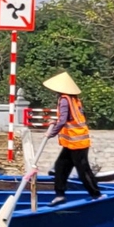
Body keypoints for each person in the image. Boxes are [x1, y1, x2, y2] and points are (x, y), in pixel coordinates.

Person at [41, 72, 102, 202]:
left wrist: (51, 133)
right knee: (61, 166)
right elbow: (67, 118)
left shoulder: (64, 100)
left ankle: (96, 195)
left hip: (77, 141)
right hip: (72, 141)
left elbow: (63, 120)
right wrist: (55, 122)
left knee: (83, 170)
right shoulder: (73, 99)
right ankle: (60, 195)